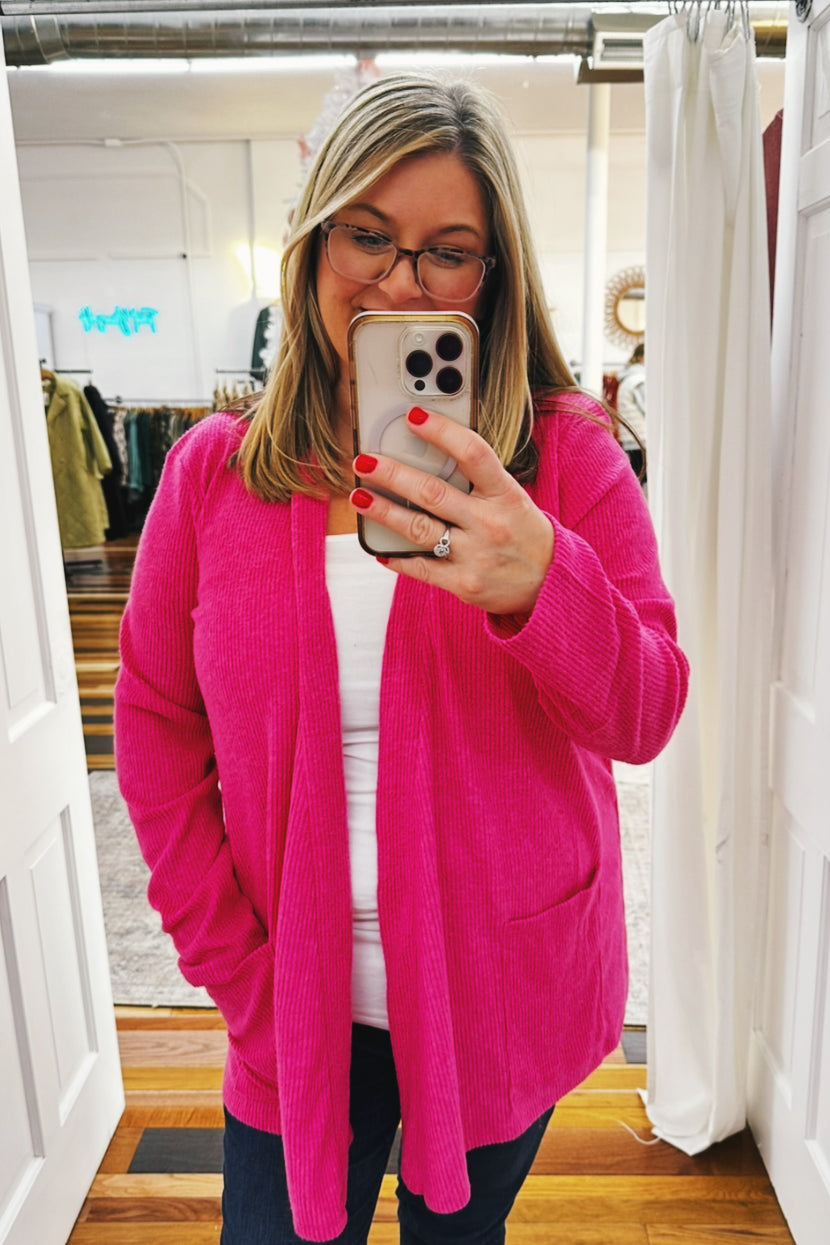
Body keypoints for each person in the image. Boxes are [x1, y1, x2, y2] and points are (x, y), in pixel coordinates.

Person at [114, 73, 689, 1245]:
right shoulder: (210, 474)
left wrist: (542, 582)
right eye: (366, 235)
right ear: (313, 241)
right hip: (288, 1004)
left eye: (447, 252)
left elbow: (644, 715)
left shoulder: (567, 458)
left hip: (502, 1000)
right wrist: (239, 975)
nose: (399, 282)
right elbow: (156, 729)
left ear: (494, 271)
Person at [616, 341, 647, 481]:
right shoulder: (639, 380)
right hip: (642, 438)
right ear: (642, 358)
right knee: (643, 480)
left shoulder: (627, 378)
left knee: (637, 478)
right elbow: (647, 408)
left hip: (630, 437)